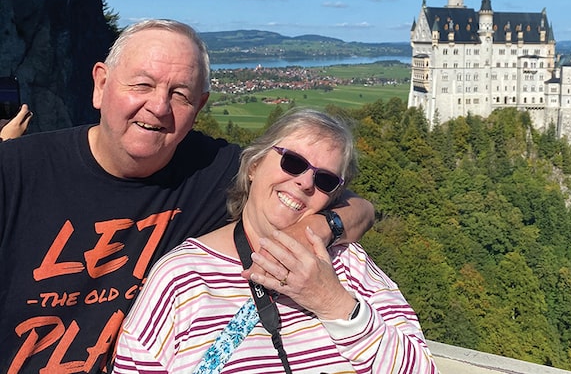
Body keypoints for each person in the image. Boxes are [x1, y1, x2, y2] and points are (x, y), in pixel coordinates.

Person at [0, 20, 375, 374]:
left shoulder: (211, 170)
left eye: (180, 94)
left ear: (199, 106)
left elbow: (359, 207)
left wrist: (317, 230)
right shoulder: (15, 173)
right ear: (101, 85)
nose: (159, 107)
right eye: (142, 85)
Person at [111, 108, 436, 373]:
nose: (305, 183)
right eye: (292, 162)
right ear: (254, 165)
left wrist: (333, 302)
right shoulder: (181, 278)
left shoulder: (348, 263)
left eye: (324, 180)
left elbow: (421, 369)